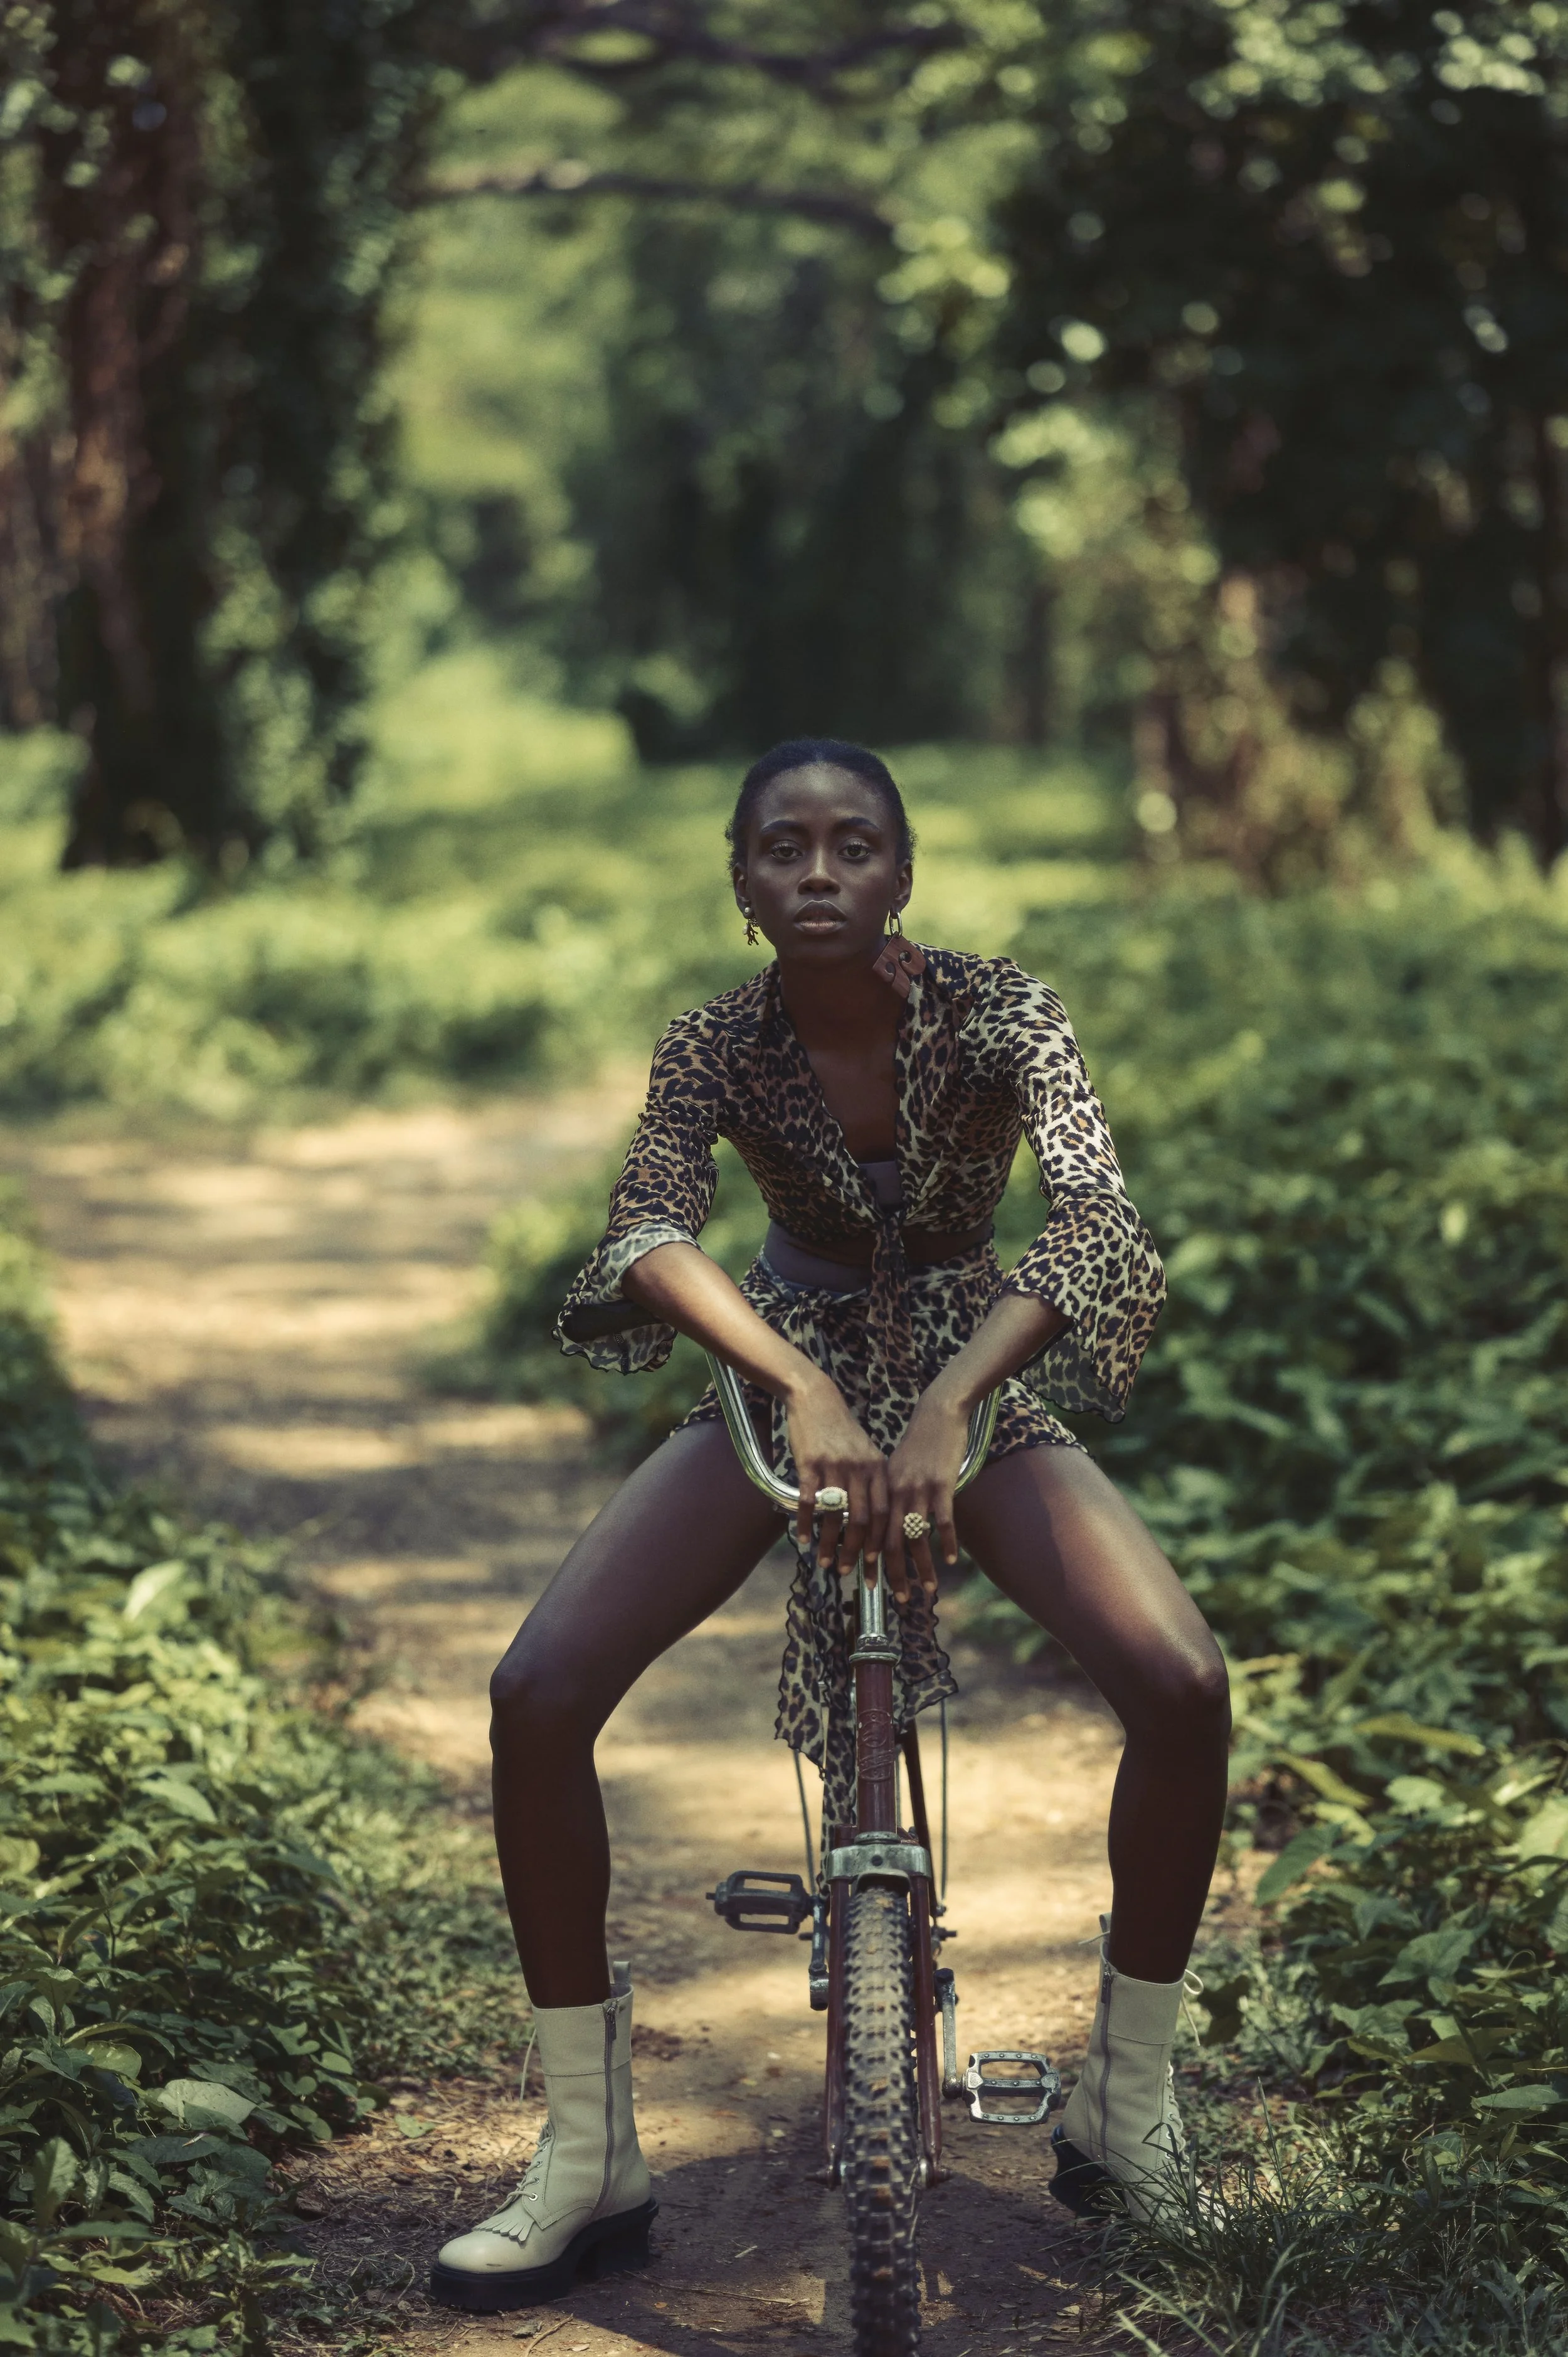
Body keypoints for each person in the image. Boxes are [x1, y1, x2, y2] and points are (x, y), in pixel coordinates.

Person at [430, 740, 1230, 2313]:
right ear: (739, 884)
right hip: (778, 1363)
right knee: (536, 1694)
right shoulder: (712, 1042)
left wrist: (949, 1399)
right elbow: (649, 1222)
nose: (816, 872)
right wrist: (792, 1373)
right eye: (781, 849)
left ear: (900, 874)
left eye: (851, 846)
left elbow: (1092, 1219)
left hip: (976, 1368)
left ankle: (1124, 2113)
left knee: (1182, 1683)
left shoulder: (1005, 1009)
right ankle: (589, 2156)